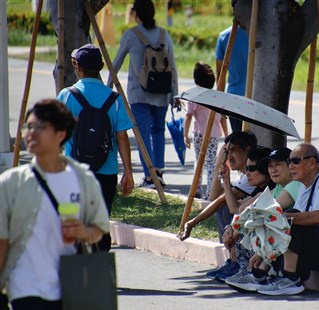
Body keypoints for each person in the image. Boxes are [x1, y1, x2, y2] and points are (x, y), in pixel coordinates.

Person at [0, 99, 110, 310]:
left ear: (61, 134)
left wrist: (83, 232)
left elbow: (99, 229)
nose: (31, 133)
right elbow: (1, 242)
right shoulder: (11, 183)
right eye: (28, 126)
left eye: (39, 127)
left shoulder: (82, 179)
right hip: (25, 287)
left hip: (71, 287)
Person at [57, 44, 134, 252]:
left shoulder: (66, 95)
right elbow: (122, 137)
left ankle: (74, 273)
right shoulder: (114, 99)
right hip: (105, 173)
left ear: (76, 66)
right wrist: (128, 172)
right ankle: (98, 274)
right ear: (101, 66)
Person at [255, 143, 319, 295]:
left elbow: (316, 218)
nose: (291, 166)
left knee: (290, 217)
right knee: (287, 219)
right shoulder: (303, 187)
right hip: (315, 246)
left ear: (312, 163)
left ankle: (290, 278)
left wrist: (281, 217)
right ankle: (259, 274)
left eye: (295, 161)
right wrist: (263, 253)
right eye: (289, 162)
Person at [108, 0, 178, 188]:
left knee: (142, 133)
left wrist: (108, 87)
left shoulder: (131, 35)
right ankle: (159, 173)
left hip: (139, 94)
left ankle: (149, 177)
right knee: (158, 131)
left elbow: (116, 63)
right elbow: (173, 66)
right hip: (163, 93)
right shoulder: (164, 34)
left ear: (136, 14)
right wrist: (175, 94)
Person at [178, 131, 258, 279]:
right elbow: (214, 196)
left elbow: (221, 200)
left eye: (233, 150)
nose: (229, 156)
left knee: (226, 206)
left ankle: (237, 262)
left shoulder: (250, 176)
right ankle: (233, 260)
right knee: (223, 205)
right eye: (226, 152)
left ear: (247, 150)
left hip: (255, 230)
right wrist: (219, 165)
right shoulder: (243, 175)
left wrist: (193, 223)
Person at [224, 147, 301, 290]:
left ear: (290, 166)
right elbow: (246, 209)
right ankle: (256, 273)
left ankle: (262, 273)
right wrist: (233, 227)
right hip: (281, 244)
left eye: (278, 165)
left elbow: (269, 211)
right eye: (270, 166)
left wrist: (235, 231)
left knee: (265, 220)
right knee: (252, 221)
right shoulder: (278, 187)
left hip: (296, 245)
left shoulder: (295, 185)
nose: (273, 170)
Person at [184, 62, 228, 199]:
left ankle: (196, 188)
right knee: (211, 162)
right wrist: (227, 136)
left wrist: (185, 135)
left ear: (196, 79)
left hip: (198, 134)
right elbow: (223, 118)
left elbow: (188, 116)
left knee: (199, 161)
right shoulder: (217, 97)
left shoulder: (194, 96)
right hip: (213, 135)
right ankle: (211, 190)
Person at [215, 6, 248, 132]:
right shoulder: (257, 35)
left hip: (233, 98)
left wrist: (220, 103)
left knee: (238, 139)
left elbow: (220, 74)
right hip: (255, 99)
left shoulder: (224, 37)